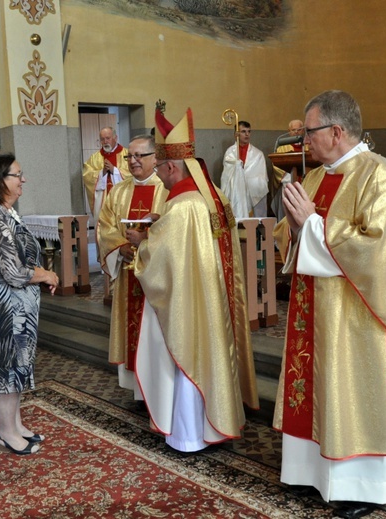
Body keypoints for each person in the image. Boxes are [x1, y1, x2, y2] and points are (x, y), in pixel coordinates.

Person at [273, 90, 386, 519]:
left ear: (336, 130)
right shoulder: (314, 177)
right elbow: (293, 233)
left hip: (362, 321)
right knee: (321, 390)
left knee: (356, 395)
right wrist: (294, 227)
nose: (302, 141)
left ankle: (367, 486)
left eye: (308, 132)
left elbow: (377, 251)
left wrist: (311, 223)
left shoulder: (379, 176)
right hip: (319, 317)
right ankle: (315, 474)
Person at [125, 105, 258, 453]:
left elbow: (161, 261)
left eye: (163, 170)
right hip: (215, 301)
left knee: (189, 358)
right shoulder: (212, 198)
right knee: (213, 354)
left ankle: (189, 434)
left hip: (190, 307)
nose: (161, 177)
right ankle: (217, 422)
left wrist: (142, 244)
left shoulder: (183, 206)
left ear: (171, 166)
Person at [0, 154, 59, 455]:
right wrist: (46, 273)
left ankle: (15, 424)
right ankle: (6, 432)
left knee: (16, 364)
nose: (23, 180)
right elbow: (14, 270)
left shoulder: (5, 213)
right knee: (4, 367)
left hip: (14, 308)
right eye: (18, 175)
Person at [96, 135, 168, 401]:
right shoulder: (119, 191)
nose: (133, 161)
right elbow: (105, 225)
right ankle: (139, 392)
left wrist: (147, 240)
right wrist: (119, 247)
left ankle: (159, 390)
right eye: (130, 157)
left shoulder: (166, 189)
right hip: (128, 274)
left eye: (140, 156)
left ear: (155, 157)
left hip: (157, 277)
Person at [220, 120, 269, 218]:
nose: (247, 134)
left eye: (249, 131)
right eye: (243, 131)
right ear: (236, 134)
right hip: (235, 194)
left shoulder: (258, 154)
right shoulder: (230, 152)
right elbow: (226, 176)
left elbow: (262, 178)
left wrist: (246, 183)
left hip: (253, 195)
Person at [82, 126, 131, 223]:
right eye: (102, 139)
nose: (105, 142)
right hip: (103, 201)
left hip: (122, 200)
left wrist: (115, 170)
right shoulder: (94, 158)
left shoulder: (127, 154)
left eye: (108, 138)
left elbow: (134, 175)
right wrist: (102, 173)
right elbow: (87, 175)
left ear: (115, 138)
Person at [271, 119, 307, 219]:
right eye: (293, 130)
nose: (296, 132)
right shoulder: (282, 148)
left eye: (299, 129)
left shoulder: (308, 146)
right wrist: (291, 177)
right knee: (288, 215)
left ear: (303, 131)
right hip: (288, 184)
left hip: (306, 184)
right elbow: (276, 166)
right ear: (289, 131)